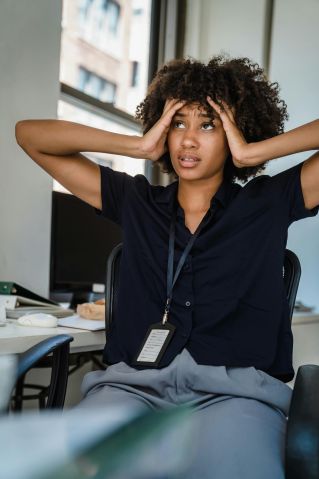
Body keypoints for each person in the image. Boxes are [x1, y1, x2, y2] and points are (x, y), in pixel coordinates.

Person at [15, 55, 319, 478]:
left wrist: (254, 151)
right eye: (179, 123)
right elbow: (28, 134)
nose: (188, 140)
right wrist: (137, 145)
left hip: (235, 395)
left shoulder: (268, 202)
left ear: (236, 130)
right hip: (132, 387)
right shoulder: (134, 201)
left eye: (208, 124)